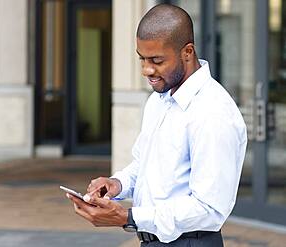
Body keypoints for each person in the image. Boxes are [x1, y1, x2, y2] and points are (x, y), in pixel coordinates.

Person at [65, 4, 247, 246]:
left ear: (188, 52)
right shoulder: (158, 101)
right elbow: (144, 165)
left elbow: (209, 208)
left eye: (157, 60)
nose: (146, 70)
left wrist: (127, 217)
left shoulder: (213, 112)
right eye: (142, 59)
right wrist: (117, 184)